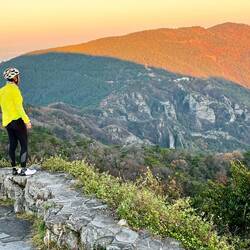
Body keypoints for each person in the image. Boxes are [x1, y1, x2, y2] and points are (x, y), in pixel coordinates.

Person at [0, 67, 36, 176]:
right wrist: (27, 121)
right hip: (17, 121)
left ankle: (14, 169)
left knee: (12, 145)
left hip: (7, 122)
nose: (19, 78)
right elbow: (19, 108)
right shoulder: (15, 90)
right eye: (18, 76)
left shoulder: (1, 91)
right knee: (23, 144)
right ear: (15, 78)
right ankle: (24, 170)